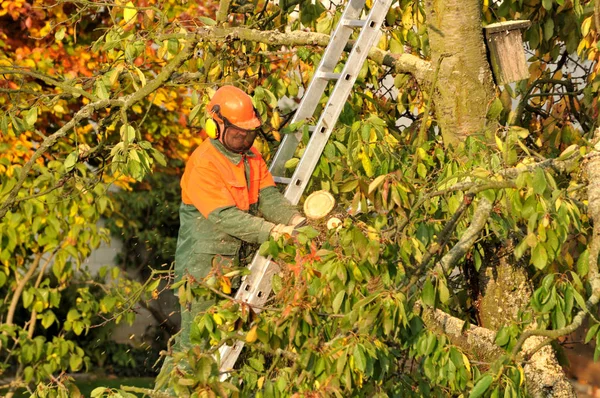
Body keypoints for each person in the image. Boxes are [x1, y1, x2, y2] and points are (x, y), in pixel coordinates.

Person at [156, 85, 305, 387]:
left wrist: (296, 221)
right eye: (238, 134)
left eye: (250, 134)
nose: (244, 140)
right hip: (204, 272)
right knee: (195, 349)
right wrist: (274, 231)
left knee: (232, 346)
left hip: (238, 267)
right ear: (216, 125)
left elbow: (268, 199)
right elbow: (226, 217)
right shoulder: (204, 163)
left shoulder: (252, 158)